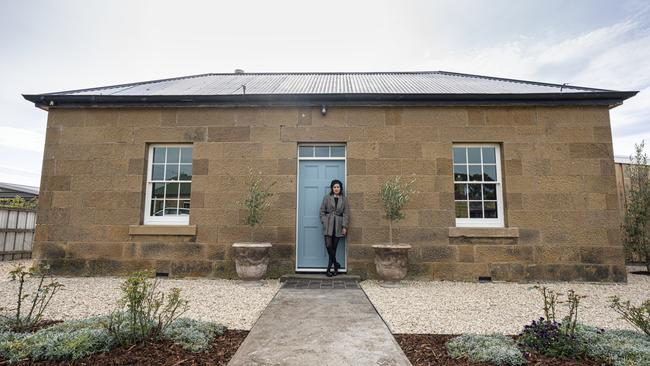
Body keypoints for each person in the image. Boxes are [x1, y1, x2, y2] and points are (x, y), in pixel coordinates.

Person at [319, 179, 349, 277]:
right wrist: (324, 221)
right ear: (332, 188)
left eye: (338, 187)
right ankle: (336, 265)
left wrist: (344, 226)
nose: (336, 189)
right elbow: (322, 211)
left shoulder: (344, 199)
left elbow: (346, 214)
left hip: (338, 225)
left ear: (340, 188)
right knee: (329, 246)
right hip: (328, 224)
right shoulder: (327, 198)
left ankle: (328, 270)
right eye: (335, 187)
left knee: (334, 248)